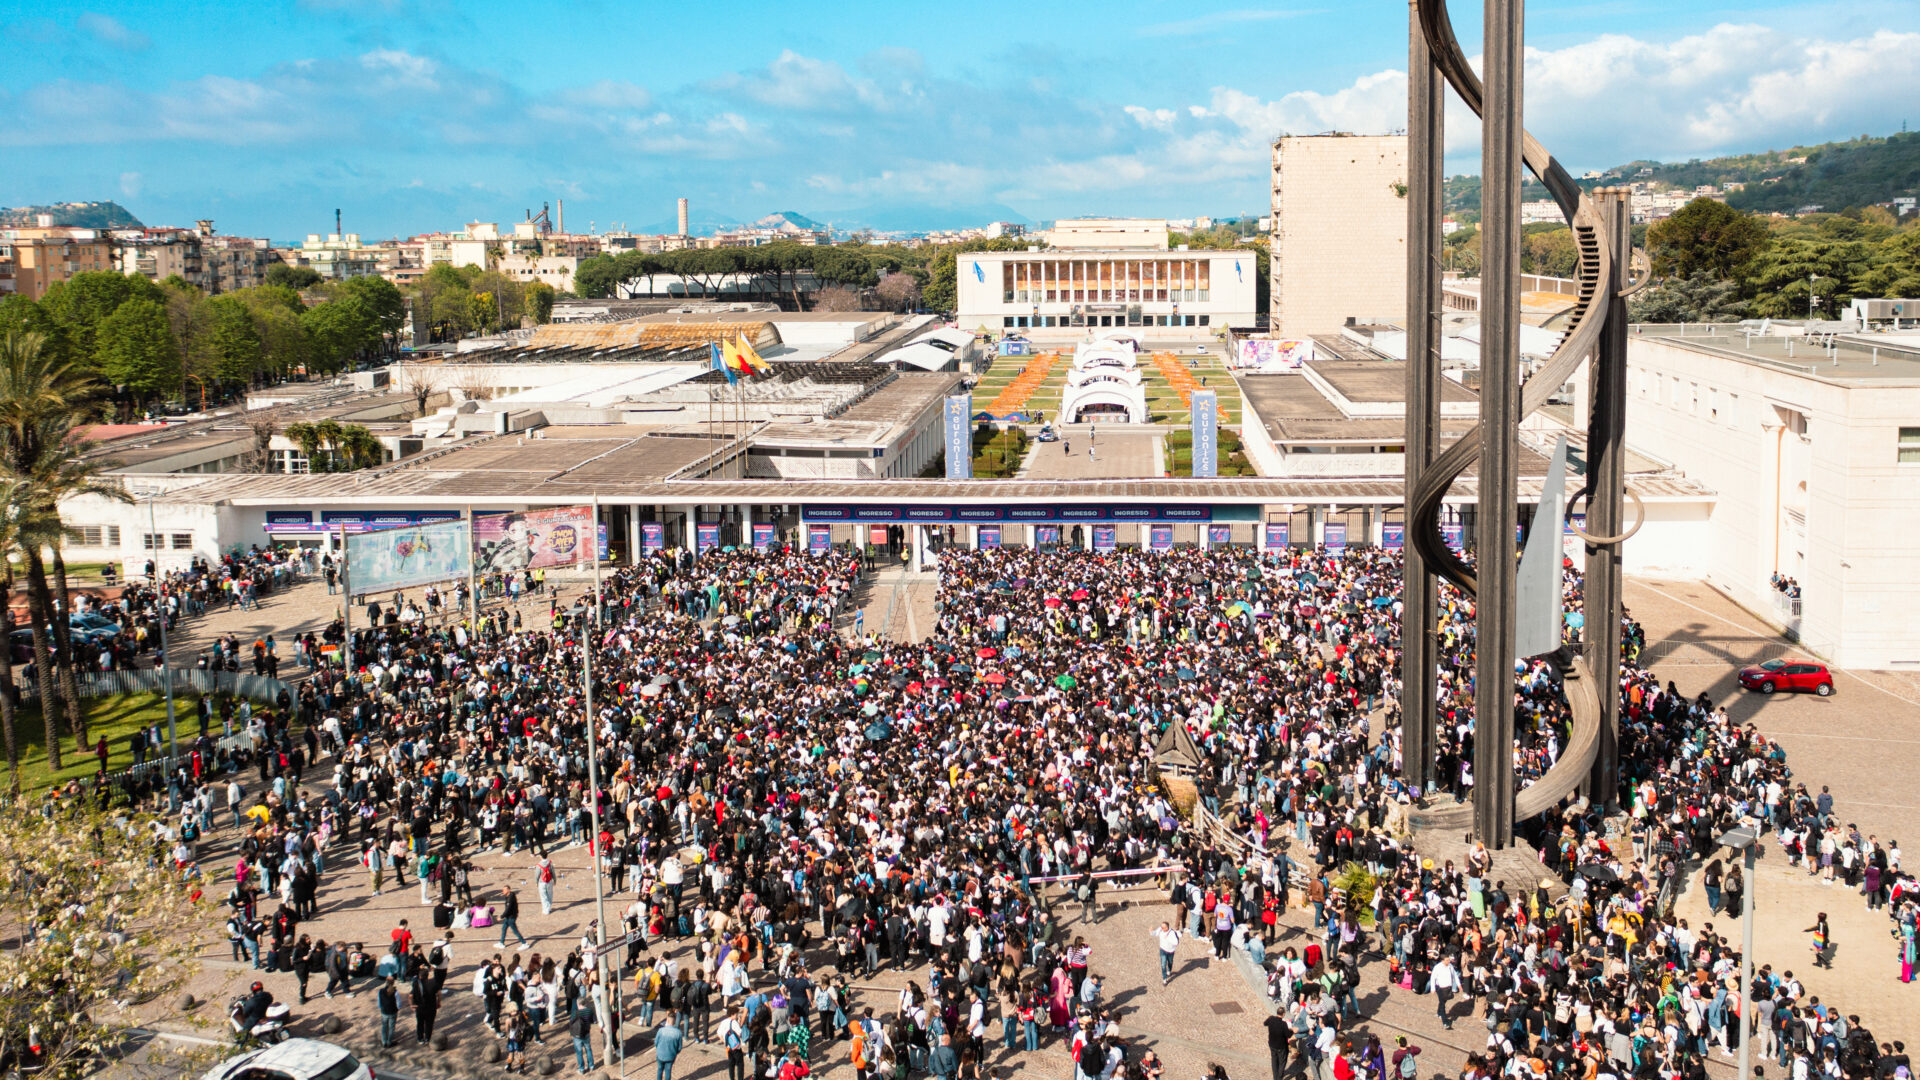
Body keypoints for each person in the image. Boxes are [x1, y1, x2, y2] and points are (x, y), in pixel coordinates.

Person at [654, 1014, 685, 1080]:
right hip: (671, 1055)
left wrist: (658, 1049)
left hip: (660, 1054)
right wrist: (674, 1052)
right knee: (668, 1071)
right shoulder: (678, 1033)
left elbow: (656, 1042)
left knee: (659, 1069)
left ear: (667, 1020)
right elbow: (679, 1047)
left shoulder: (661, 1030)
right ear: (674, 1021)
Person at [570, 1002, 596, 1074]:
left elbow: (571, 1022)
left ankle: (581, 1069)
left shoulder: (575, 1012)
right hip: (586, 1033)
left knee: (579, 1052)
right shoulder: (589, 1011)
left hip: (577, 1035)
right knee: (588, 1049)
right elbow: (594, 1021)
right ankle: (591, 1066)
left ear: (578, 1004)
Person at [376, 976, 400, 1049]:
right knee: (391, 1027)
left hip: (384, 1012)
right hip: (392, 1012)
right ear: (393, 982)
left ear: (386, 982)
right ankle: (389, 1042)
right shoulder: (395, 992)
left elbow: (379, 1002)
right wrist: (397, 1008)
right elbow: (399, 1003)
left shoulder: (381, 991)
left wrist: (381, 1008)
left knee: (384, 1026)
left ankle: (384, 1041)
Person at [1153, 921, 1180, 986]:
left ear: (1167, 927)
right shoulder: (1160, 930)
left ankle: (1169, 970)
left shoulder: (1172, 933)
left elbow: (1176, 942)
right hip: (1163, 950)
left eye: (1163, 927)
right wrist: (1151, 931)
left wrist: (1167, 938)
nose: (1162, 928)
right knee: (1163, 964)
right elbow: (1155, 933)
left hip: (1171, 951)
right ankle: (1164, 979)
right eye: (1161, 927)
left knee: (1170, 962)